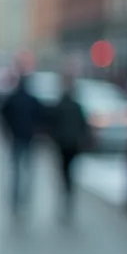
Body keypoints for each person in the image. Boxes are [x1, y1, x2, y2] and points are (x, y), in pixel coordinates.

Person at [0, 70, 46, 218]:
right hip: (28, 139)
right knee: (27, 171)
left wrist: (7, 130)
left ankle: (15, 201)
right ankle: (25, 201)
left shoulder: (12, 98)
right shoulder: (32, 100)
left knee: (16, 172)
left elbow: (3, 115)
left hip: (16, 138)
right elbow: (41, 117)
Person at [47, 72, 90, 217]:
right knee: (70, 171)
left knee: (63, 171)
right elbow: (83, 126)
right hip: (73, 144)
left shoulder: (60, 105)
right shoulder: (77, 107)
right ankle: (68, 194)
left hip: (62, 144)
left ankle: (65, 193)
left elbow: (52, 124)